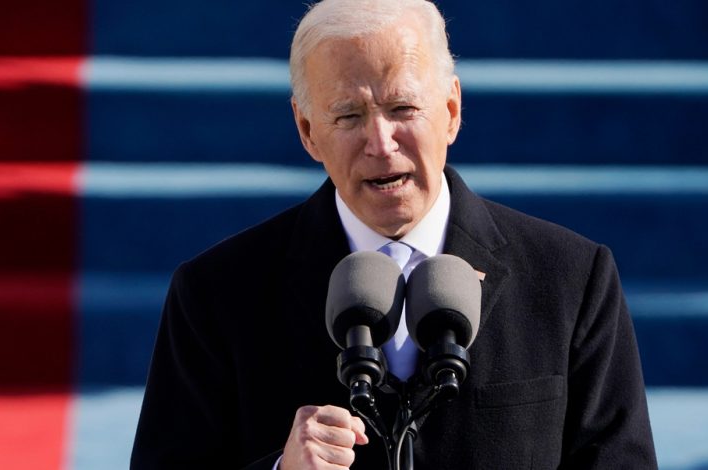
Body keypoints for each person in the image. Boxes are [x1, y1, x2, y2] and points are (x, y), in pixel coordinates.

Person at [131, 0, 658, 468]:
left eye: (403, 108)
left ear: (451, 111)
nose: (380, 144)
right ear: (307, 130)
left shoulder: (571, 278)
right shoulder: (215, 294)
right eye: (348, 115)